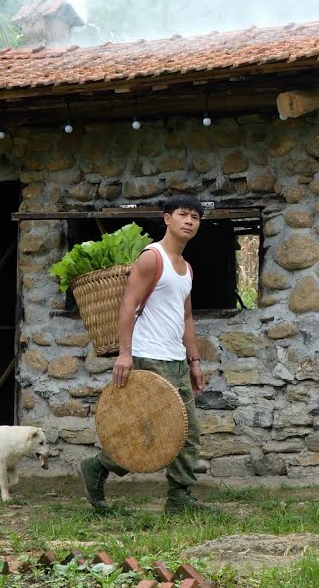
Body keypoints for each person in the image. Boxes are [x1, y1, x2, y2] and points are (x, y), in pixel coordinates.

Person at [79, 195, 214, 515]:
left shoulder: (186, 269)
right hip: (149, 357)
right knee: (150, 432)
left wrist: (194, 361)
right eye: (183, 214)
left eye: (195, 217)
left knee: (187, 432)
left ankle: (179, 499)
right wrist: (125, 354)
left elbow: (186, 319)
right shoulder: (152, 258)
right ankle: (97, 466)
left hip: (176, 360)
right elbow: (128, 305)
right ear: (167, 218)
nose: (190, 221)